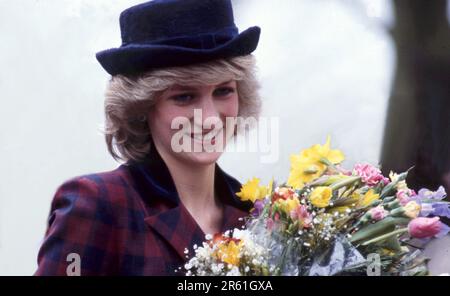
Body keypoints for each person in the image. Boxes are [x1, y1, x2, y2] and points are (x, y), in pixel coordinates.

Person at [35, 0, 262, 275]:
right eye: (184, 97)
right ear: (141, 108)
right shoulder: (99, 205)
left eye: (223, 91)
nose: (210, 118)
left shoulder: (256, 216)